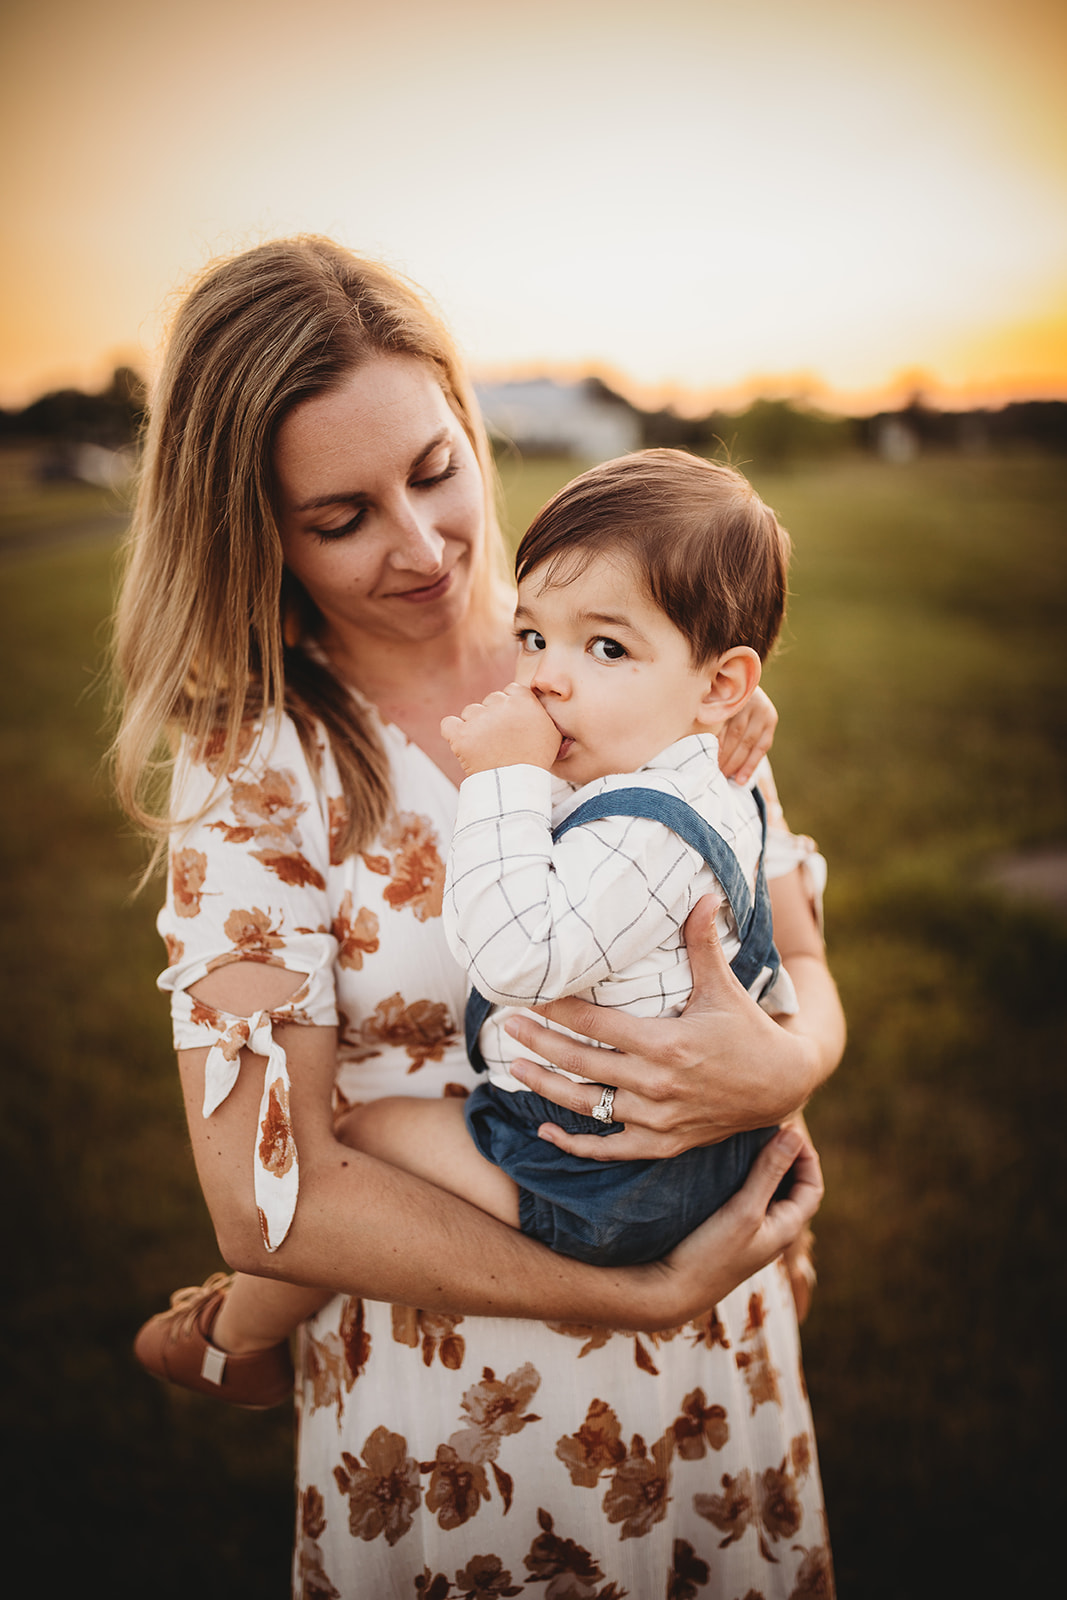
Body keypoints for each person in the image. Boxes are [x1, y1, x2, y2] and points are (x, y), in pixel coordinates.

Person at [116, 236, 843, 1598]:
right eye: (340, 517)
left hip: (721, 1351)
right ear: (251, 529)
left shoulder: (628, 640)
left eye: (436, 469)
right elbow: (265, 1202)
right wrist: (633, 1292)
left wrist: (790, 1061)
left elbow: (794, 950)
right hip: (460, 1415)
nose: (423, 544)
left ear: (468, 425)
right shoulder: (258, 764)